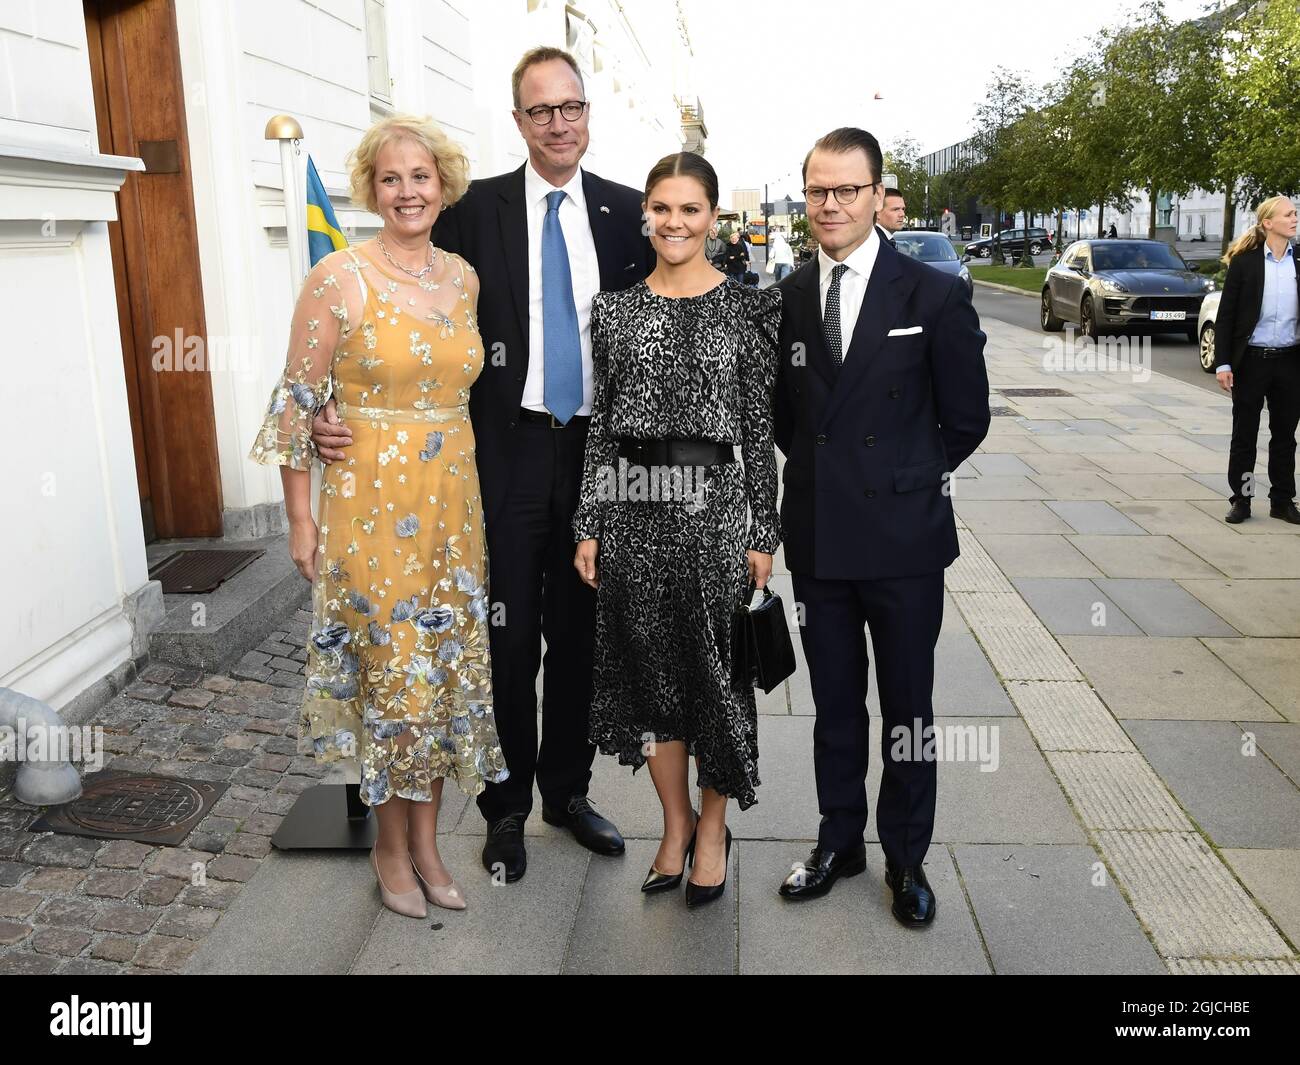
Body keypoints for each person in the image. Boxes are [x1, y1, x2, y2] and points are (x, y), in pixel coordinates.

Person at [312, 47, 654, 883]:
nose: (559, 122)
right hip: (500, 455)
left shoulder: (627, 213)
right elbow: (403, 297)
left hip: (597, 454)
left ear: (587, 111)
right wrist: (337, 407)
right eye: (541, 111)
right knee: (505, 633)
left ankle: (567, 795)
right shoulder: (474, 211)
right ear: (518, 122)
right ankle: (504, 807)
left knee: (581, 629)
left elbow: (658, 331)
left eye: (570, 106)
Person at [249, 115, 509, 918]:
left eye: (421, 176)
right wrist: (301, 519)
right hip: (368, 508)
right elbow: (299, 403)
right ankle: (391, 854)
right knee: (394, 682)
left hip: (452, 513)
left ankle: (430, 845)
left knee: (437, 683)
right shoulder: (339, 277)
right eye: (391, 178)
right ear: (372, 188)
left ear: (443, 185)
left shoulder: (462, 276)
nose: (408, 191)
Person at [771, 127, 990, 925]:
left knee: (907, 707)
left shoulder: (932, 294)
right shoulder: (788, 297)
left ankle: (906, 858)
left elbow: (966, 417)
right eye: (817, 191)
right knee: (834, 704)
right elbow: (784, 419)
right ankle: (838, 840)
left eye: (846, 191)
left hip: (903, 543)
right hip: (822, 538)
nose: (830, 205)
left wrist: (900, 477)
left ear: (875, 194)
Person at [572, 151, 781, 907]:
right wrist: (590, 520)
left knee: (718, 682)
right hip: (632, 511)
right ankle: (675, 822)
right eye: (661, 208)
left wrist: (763, 531)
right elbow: (600, 429)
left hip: (717, 512)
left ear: (713, 216)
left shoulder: (750, 308)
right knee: (652, 679)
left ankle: (716, 830)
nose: (674, 222)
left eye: (690, 209)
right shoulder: (616, 309)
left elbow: (758, 432)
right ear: (646, 215)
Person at [1216, 195, 1300, 525]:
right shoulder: (1246, 262)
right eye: (1289, 214)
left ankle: (1282, 500)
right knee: (1245, 436)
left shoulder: (1298, 260)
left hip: (1290, 362)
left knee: (1285, 436)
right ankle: (1243, 499)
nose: (1295, 218)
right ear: (1268, 223)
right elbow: (1226, 317)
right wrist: (1223, 363)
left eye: (1295, 214)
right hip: (1251, 361)